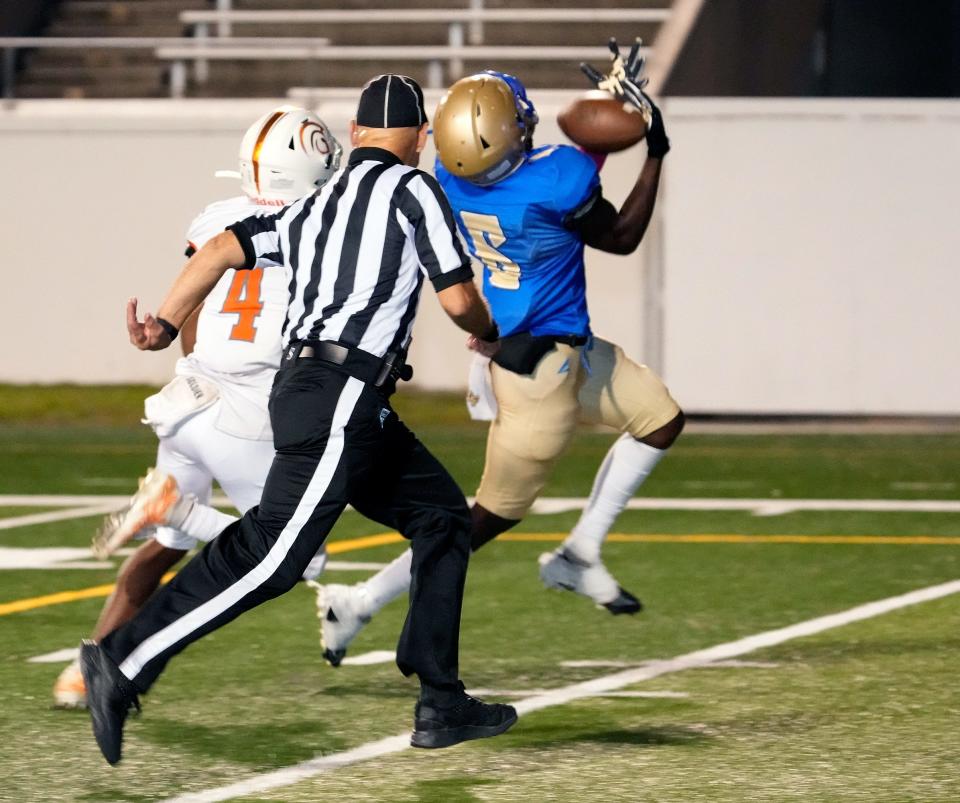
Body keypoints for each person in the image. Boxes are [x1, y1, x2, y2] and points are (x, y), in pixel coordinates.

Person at [79, 74, 517, 766]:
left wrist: (166, 322)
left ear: (356, 135)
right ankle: (124, 662)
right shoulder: (413, 189)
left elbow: (224, 246)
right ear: (419, 135)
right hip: (342, 388)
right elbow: (460, 301)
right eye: (425, 134)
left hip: (331, 395)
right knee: (276, 555)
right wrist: (490, 330)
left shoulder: (318, 203)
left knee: (441, 517)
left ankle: (441, 697)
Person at [316, 40, 684, 666]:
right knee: (476, 522)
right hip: (536, 373)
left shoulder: (447, 182)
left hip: (552, 349)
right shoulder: (555, 178)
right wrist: (654, 150)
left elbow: (551, 177)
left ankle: (580, 552)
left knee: (660, 420)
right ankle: (357, 602)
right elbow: (619, 236)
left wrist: (602, 114)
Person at [53, 105, 342, 709]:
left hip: (187, 396)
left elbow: (200, 293)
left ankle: (89, 667)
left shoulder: (219, 217)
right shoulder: (323, 229)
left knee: (163, 546)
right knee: (304, 557)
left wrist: (186, 361)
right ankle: (171, 506)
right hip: (250, 407)